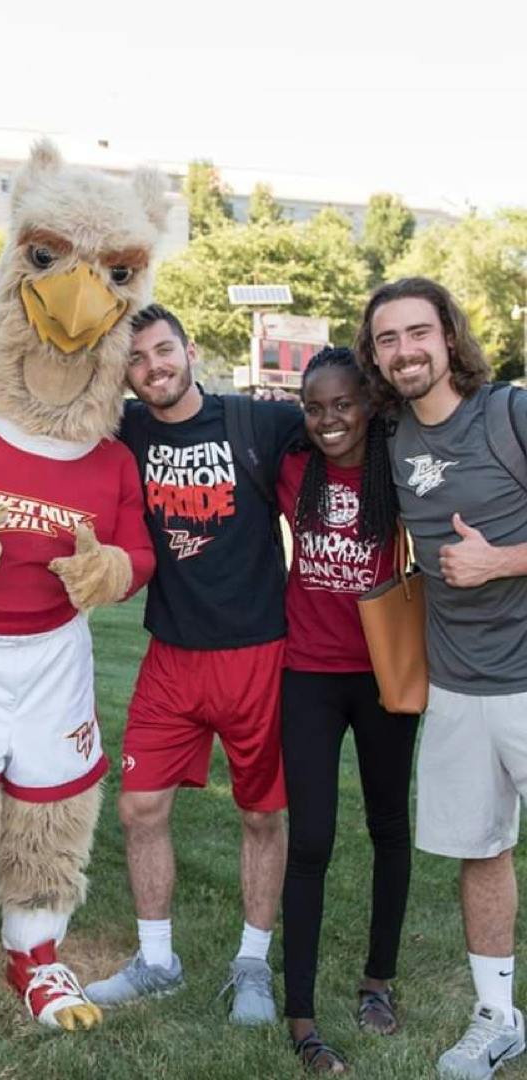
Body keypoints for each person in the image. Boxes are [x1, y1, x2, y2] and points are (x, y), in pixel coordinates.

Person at [86, 304, 303, 1023]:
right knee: (139, 807)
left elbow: (351, 418)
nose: (155, 368)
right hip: (172, 655)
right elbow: (34, 401)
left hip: (257, 653)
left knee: (262, 815)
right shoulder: (127, 428)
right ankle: (157, 961)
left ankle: (251, 965)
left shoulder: (257, 423)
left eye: (163, 351)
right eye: (138, 360)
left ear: (190, 349)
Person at [357, 277, 527, 1080]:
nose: (404, 351)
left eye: (417, 333)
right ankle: (497, 1017)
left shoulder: (509, 415)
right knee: (481, 850)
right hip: (457, 689)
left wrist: (503, 559)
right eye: (387, 340)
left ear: (449, 336)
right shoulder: (390, 437)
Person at [276, 346, 417, 1072]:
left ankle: (376, 982)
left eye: (343, 404)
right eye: (315, 406)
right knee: (312, 840)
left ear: (369, 404)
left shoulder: (398, 465)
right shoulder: (294, 464)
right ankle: (301, 1016)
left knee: (389, 827)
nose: (329, 419)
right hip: (308, 674)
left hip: (384, 676)